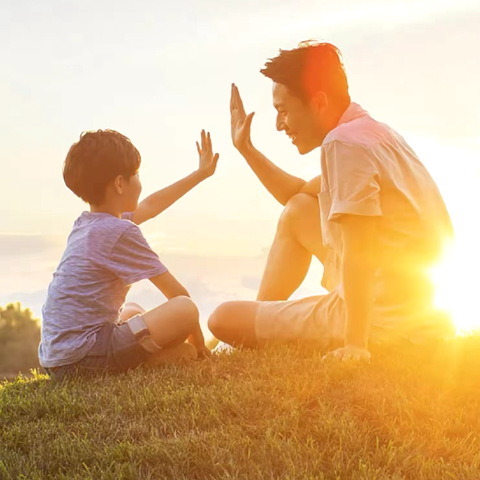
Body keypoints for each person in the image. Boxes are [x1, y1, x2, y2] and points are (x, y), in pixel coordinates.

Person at [208, 42, 454, 360]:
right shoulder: (377, 134)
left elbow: (358, 251)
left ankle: (253, 332)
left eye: (283, 110)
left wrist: (355, 346)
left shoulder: (343, 144)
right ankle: (259, 323)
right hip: (417, 307)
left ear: (319, 101)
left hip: (383, 318)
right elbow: (297, 194)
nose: (279, 124)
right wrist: (247, 149)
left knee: (222, 318)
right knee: (297, 212)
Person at [40, 129, 219, 379]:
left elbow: (152, 206)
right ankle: (150, 361)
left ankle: (148, 355)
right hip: (84, 357)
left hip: (57, 358)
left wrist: (199, 174)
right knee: (185, 309)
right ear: (120, 183)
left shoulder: (87, 224)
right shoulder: (119, 231)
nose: (140, 181)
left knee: (133, 309)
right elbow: (177, 295)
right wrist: (200, 347)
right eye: (136, 174)